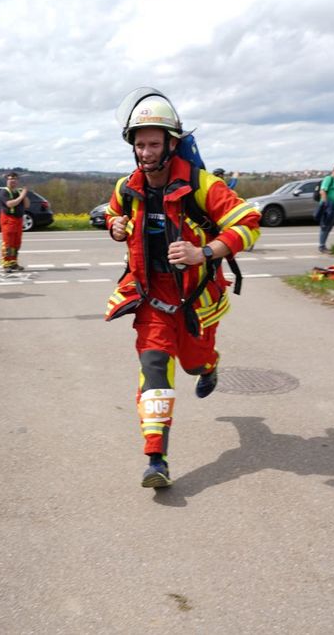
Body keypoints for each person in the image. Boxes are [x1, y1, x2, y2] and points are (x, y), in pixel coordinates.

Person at [105, 89, 261, 489]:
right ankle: (156, 458)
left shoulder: (202, 185)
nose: (145, 151)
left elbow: (248, 223)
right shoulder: (127, 186)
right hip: (149, 299)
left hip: (194, 302)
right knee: (154, 368)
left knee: (193, 362)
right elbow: (112, 213)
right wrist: (114, 227)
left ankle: (209, 365)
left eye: (153, 143)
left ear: (171, 143)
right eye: (139, 144)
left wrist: (203, 252)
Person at [0, 172, 30, 272]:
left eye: (14, 179)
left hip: (18, 219)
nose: (12, 180)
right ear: (7, 180)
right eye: (10, 179)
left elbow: (27, 205)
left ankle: (13, 262)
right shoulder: (4, 192)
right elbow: (10, 204)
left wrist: (24, 195)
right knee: (8, 242)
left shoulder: (19, 191)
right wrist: (21, 197)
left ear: (17, 181)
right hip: (8, 219)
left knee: (16, 243)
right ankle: (6, 263)